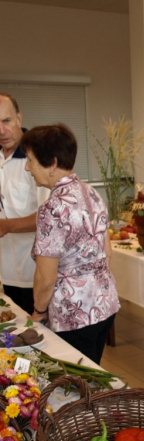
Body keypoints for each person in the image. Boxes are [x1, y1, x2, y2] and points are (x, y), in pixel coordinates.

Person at [21, 124, 120, 364]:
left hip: (73, 313)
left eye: (31, 160)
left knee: (75, 385)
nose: (27, 167)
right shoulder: (93, 193)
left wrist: (39, 312)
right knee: (91, 373)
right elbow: (106, 251)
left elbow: (45, 279)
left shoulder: (51, 209)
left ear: (52, 163)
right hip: (104, 304)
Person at [0, 93, 48, 314]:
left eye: (6, 121)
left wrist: (8, 226)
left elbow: (48, 216)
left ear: (19, 118)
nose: (1, 131)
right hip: (5, 270)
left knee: (40, 339)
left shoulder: (38, 158)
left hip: (35, 271)